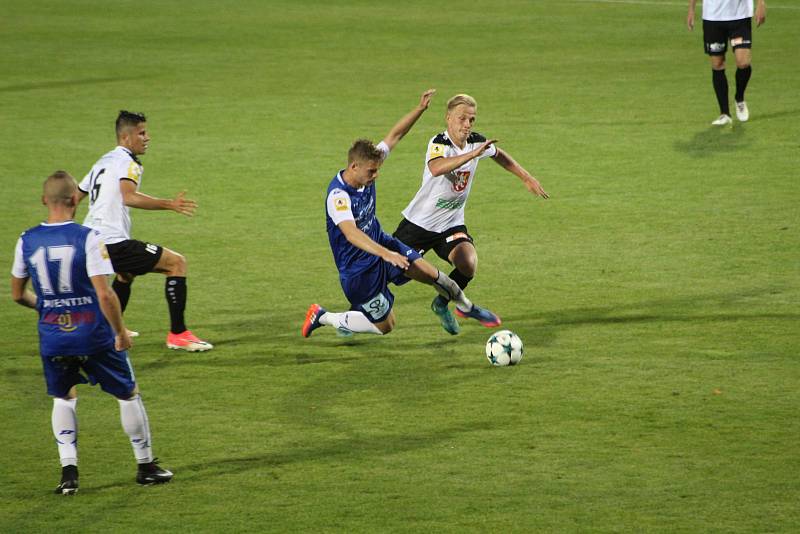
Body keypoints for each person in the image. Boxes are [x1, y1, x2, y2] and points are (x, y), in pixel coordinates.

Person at [11, 171, 173, 494]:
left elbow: (17, 293)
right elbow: (105, 294)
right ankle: (145, 465)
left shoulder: (26, 239)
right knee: (128, 393)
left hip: (54, 335)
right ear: (75, 200)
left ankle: (68, 473)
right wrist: (121, 330)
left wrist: (46, 308)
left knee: (64, 397)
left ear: (45, 200)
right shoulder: (88, 236)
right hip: (93, 333)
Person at [302, 90, 501, 338]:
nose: (376, 176)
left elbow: (395, 136)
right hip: (358, 270)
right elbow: (351, 233)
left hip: (383, 243)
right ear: (354, 167)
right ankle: (326, 317)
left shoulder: (368, 163)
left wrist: (419, 109)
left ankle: (466, 306)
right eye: (372, 172)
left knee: (432, 275)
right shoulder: (339, 197)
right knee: (385, 326)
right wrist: (387, 255)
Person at [392, 94, 547, 335]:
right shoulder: (439, 142)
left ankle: (443, 304)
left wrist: (526, 177)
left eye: (471, 120)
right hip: (419, 224)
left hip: (451, 224)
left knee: (468, 263)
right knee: (386, 274)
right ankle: (356, 314)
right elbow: (436, 168)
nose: (467, 124)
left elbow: (499, 155)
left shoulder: (477, 142)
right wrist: (472, 155)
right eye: (462, 118)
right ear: (448, 118)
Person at [78, 110, 212, 351]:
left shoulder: (103, 161)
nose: (147, 137)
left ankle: (109, 328)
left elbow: (75, 197)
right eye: (142, 133)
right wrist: (169, 204)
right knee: (176, 263)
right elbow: (128, 197)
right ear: (126, 137)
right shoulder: (128, 163)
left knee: (125, 274)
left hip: (90, 239)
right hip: (112, 240)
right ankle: (178, 334)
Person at [687, 0, 767, 125]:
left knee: (743, 62)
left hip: (740, 16)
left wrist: (761, 4)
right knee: (717, 64)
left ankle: (739, 98)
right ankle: (724, 113)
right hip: (712, 17)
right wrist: (691, 10)